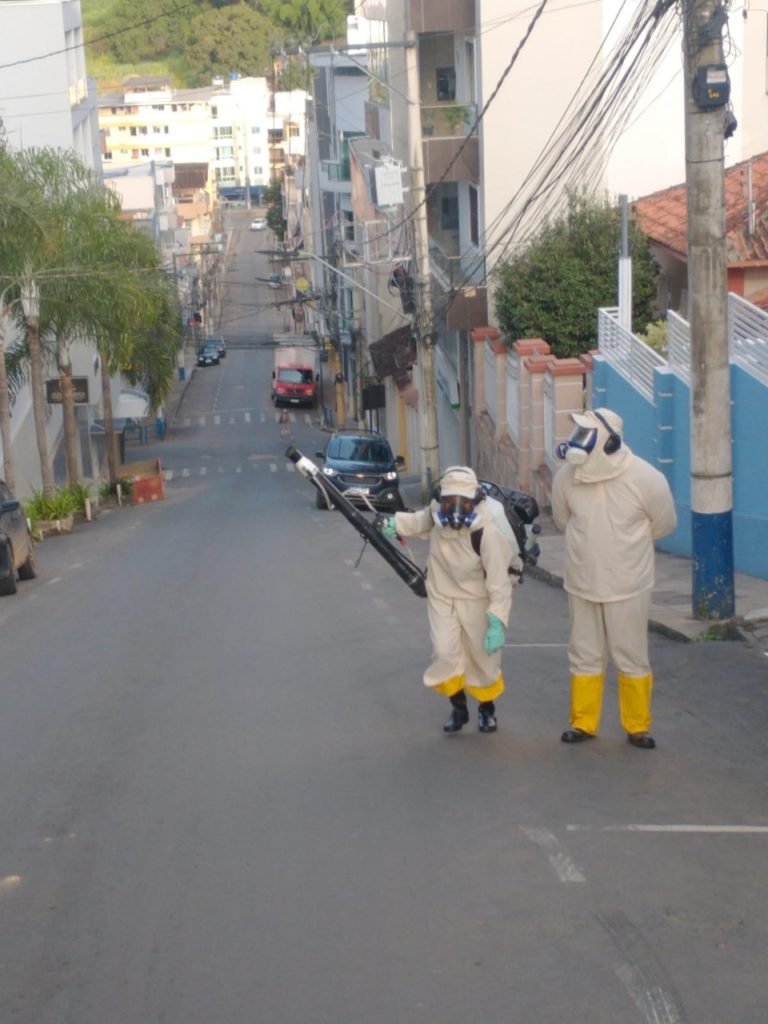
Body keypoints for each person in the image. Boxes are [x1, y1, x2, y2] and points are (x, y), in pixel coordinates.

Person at [551, 408, 677, 749]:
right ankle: (583, 722)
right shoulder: (566, 477)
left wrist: (625, 550)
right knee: (584, 652)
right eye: (577, 434)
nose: (576, 442)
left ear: (608, 442)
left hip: (628, 585)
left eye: (585, 434)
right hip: (581, 581)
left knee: (631, 653)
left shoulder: (645, 478)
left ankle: (638, 726)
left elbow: (664, 523)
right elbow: (563, 520)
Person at [378, 466, 519, 734]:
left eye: (463, 502)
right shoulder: (434, 512)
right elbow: (419, 522)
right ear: (440, 498)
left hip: (478, 599)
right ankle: (459, 708)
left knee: (483, 658)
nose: (455, 509)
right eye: (449, 501)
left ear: (475, 501)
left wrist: (497, 620)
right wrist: (395, 524)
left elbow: (499, 582)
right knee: (445, 653)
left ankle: (487, 711)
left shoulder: (487, 533)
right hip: (442, 595)